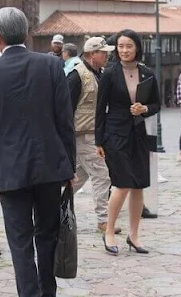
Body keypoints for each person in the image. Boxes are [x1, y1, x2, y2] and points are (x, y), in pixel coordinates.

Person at [0, 7, 76, 297]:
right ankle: (47, 292)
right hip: (49, 166)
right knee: (47, 236)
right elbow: (64, 120)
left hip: (10, 169)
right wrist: (68, 165)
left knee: (19, 241)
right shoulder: (50, 65)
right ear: (27, 33)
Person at [96, 29, 160, 256]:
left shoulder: (147, 73)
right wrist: (99, 140)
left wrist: (144, 109)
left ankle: (133, 235)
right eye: (120, 46)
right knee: (122, 184)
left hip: (139, 135)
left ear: (137, 48)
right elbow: (100, 109)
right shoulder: (110, 73)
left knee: (138, 185)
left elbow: (156, 105)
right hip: (115, 135)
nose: (124, 50)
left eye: (128, 46)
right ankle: (109, 231)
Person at [66, 37, 121, 234]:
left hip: (93, 134)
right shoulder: (76, 76)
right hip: (82, 134)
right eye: (103, 52)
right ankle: (103, 219)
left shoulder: (99, 73)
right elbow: (66, 108)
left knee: (79, 176)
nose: (107, 55)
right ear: (91, 54)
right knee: (101, 174)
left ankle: (52, 206)